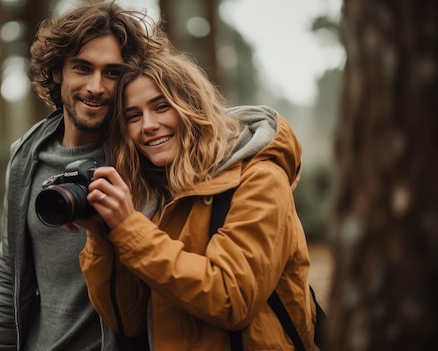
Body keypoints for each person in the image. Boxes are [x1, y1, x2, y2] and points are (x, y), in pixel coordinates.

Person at [76, 51, 318, 350]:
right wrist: (102, 235)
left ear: (192, 106)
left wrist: (129, 228)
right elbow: (129, 321)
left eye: (161, 107)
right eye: (133, 116)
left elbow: (232, 299)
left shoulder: (259, 179)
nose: (148, 125)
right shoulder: (151, 197)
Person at [0, 2, 168, 350]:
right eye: (82, 67)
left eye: (112, 72)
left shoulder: (147, 155)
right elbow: (9, 278)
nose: (96, 86)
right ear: (58, 71)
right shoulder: (26, 156)